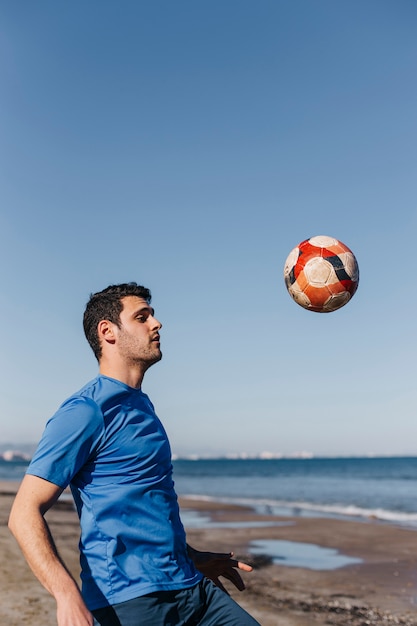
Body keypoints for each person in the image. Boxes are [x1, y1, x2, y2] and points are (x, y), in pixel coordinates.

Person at [8, 282, 261, 626]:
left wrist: (192, 557)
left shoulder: (142, 404)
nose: (156, 324)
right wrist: (66, 594)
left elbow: (144, 503)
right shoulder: (85, 410)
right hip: (130, 603)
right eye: (142, 317)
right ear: (107, 331)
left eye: (152, 316)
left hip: (192, 588)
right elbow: (23, 513)